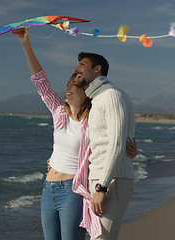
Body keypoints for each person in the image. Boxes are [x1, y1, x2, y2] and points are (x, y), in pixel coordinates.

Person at [15, 28, 137, 240]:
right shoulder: (58, 113)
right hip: (48, 188)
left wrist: (131, 151)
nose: (68, 88)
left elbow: (111, 140)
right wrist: (26, 43)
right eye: (67, 85)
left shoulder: (92, 121)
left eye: (74, 85)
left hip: (73, 190)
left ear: (85, 92)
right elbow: (41, 82)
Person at [73, 52, 136, 240]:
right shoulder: (98, 98)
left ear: (97, 69)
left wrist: (102, 188)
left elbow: (116, 144)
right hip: (103, 180)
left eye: (82, 65)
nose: (76, 69)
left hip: (111, 181)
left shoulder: (111, 95)